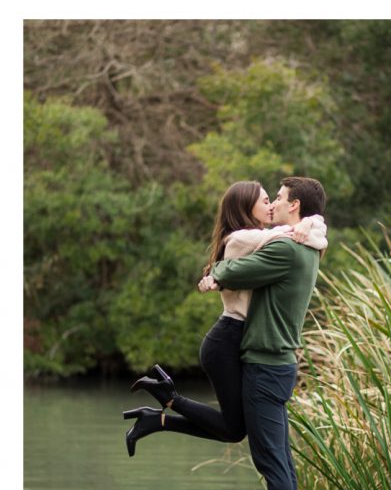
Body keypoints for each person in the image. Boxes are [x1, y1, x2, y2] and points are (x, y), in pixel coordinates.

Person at [123, 180, 327, 456]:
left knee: (234, 429)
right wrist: (306, 225)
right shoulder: (245, 238)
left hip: (235, 338)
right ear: (245, 206)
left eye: (273, 199)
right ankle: (169, 399)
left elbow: (290, 233)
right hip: (227, 339)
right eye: (265, 200)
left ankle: (157, 417)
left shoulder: (258, 238)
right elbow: (290, 235)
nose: (271, 205)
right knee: (234, 430)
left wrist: (309, 222)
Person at [199, 176, 327, 490]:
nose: (275, 204)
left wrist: (214, 275)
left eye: (281, 197)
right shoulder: (305, 243)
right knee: (281, 462)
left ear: (296, 207)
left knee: (272, 463)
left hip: (265, 365)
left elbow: (237, 271)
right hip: (277, 364)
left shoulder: (287, 250)